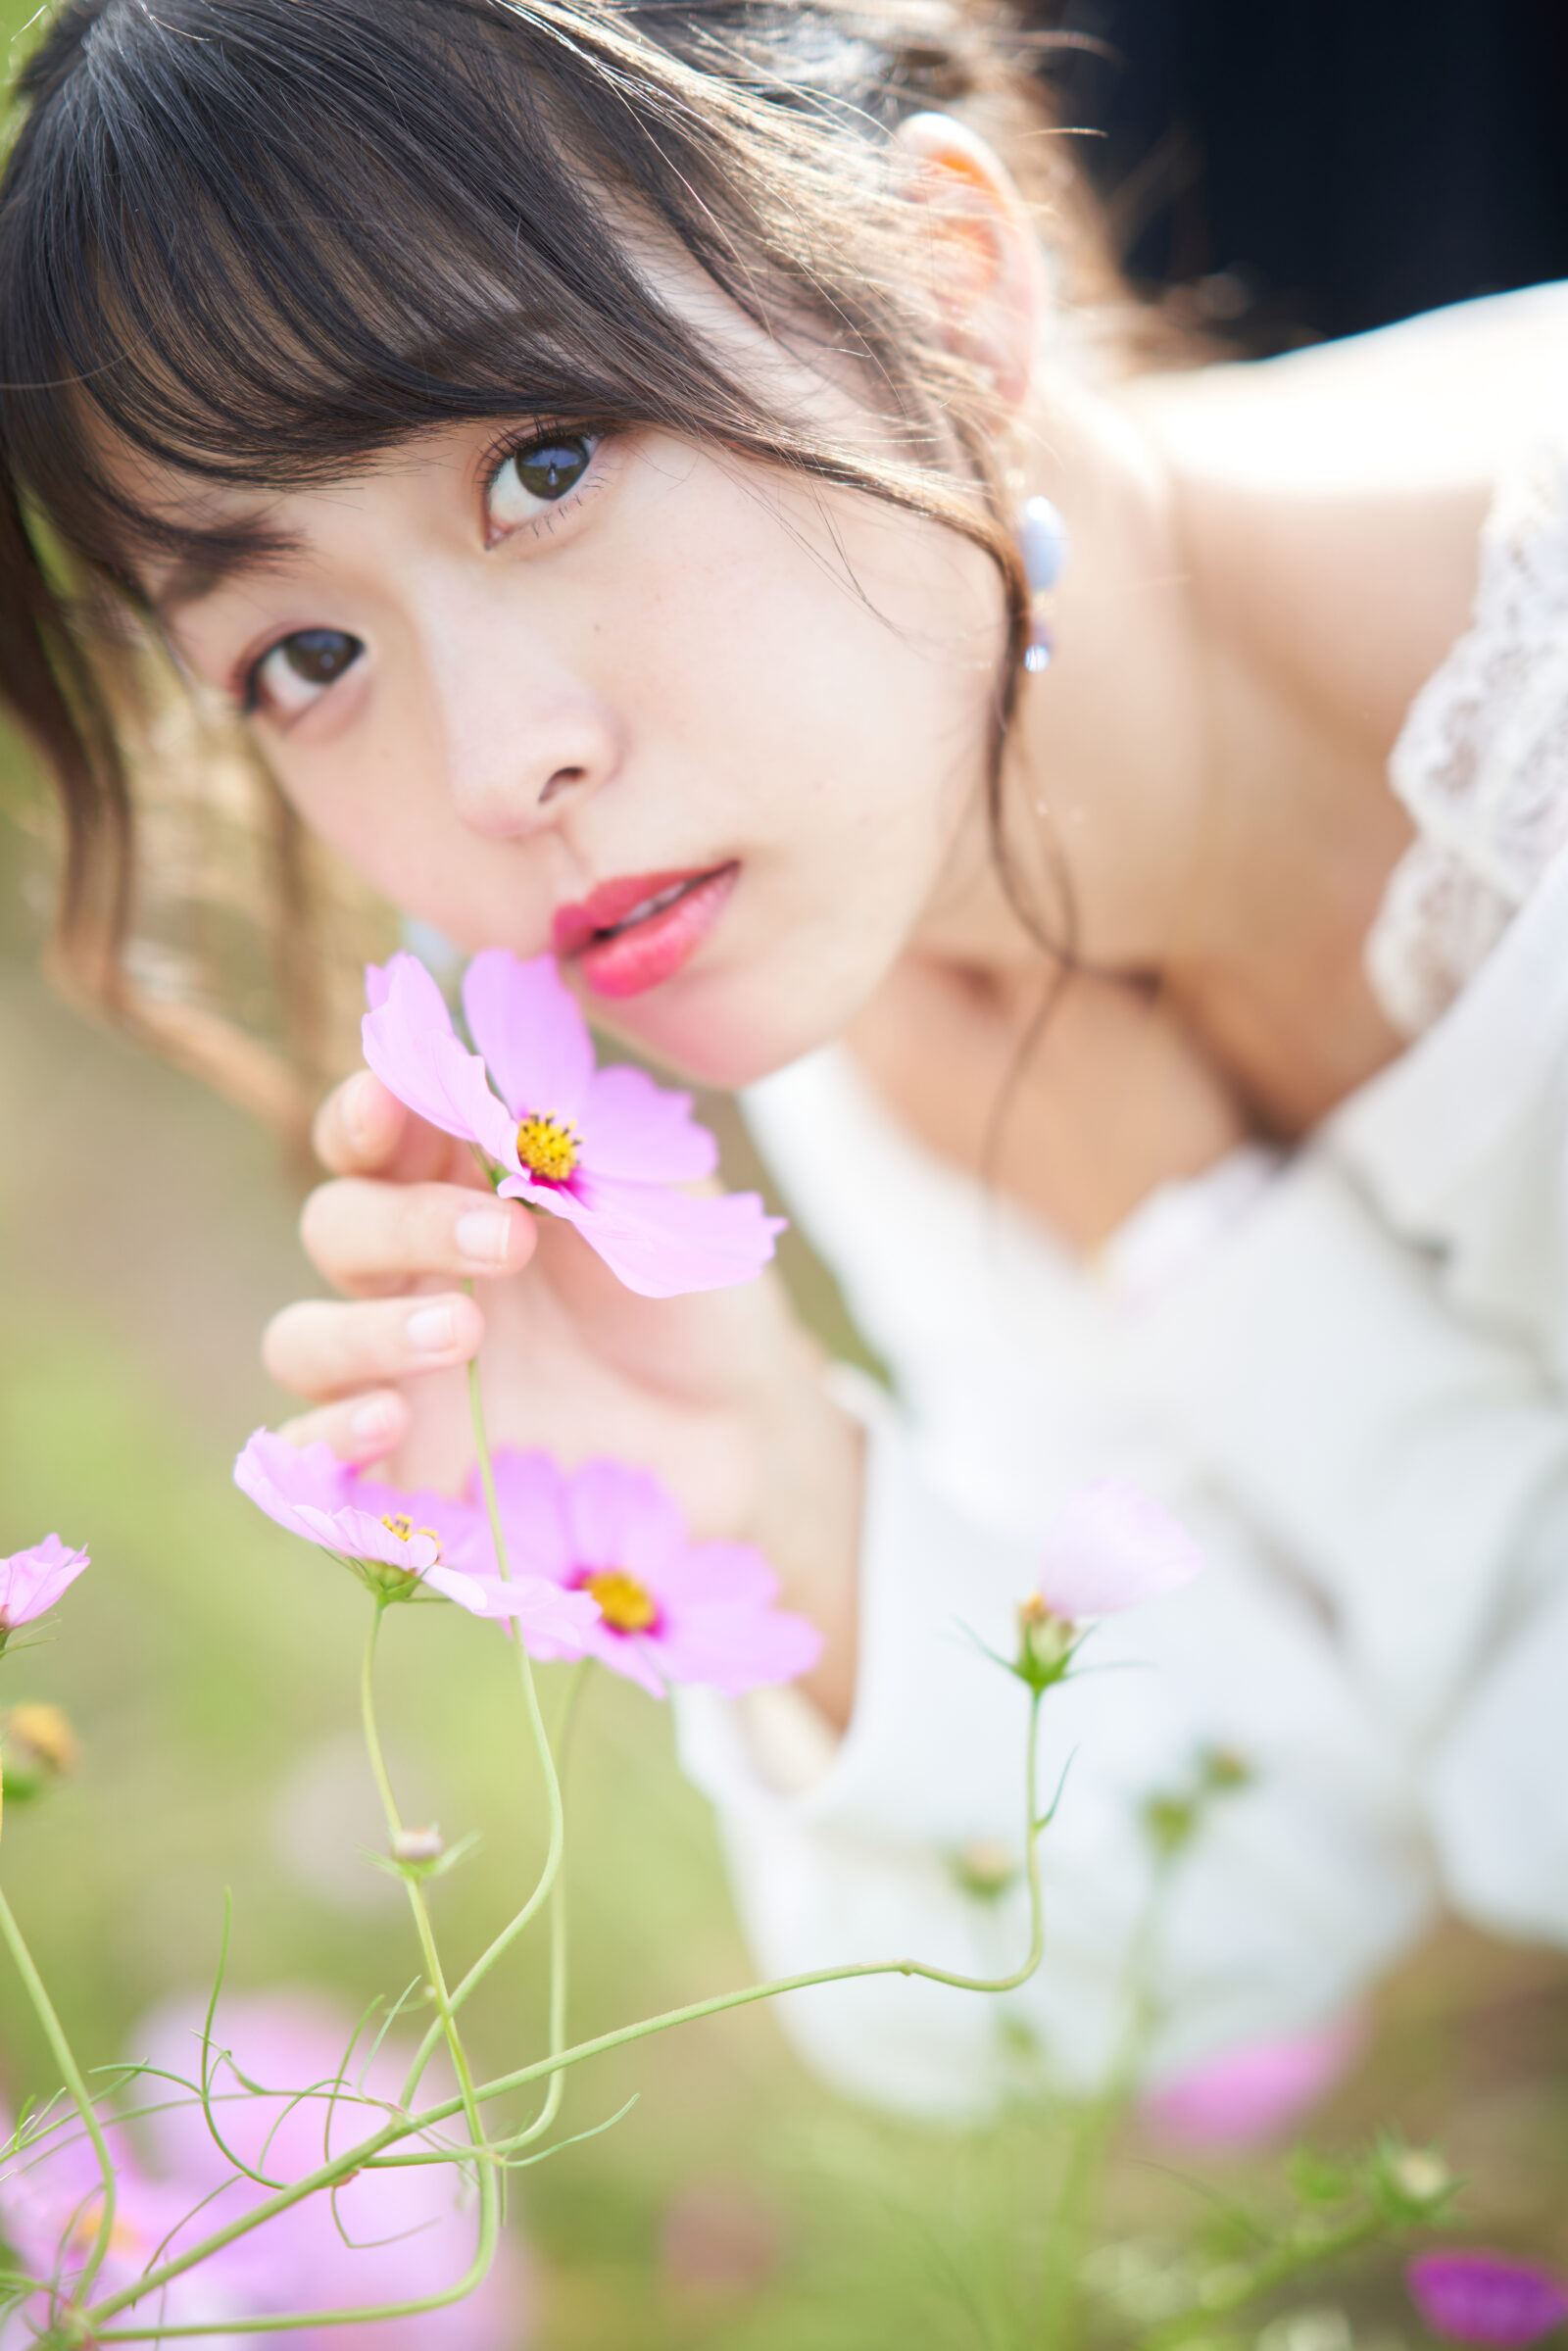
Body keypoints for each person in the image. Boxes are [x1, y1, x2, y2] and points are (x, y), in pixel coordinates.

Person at [4, 0, 1568, 2116]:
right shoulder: (906, 1002)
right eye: (308, 653)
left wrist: (1206, 1251)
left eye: (543, 464)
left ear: (948, 284)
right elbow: (1220, 1919)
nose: (492, 768)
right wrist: (785, 1507)